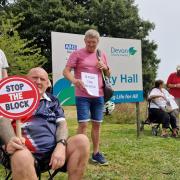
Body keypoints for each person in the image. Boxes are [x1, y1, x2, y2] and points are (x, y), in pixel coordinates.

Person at [0, 67, 90, 180]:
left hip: (52, 154)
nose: (38, 81)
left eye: (42, 79)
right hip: (21, 153)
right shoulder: (13, 98)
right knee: (21, 155)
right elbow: (2, 121)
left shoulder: (53, 101)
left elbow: (62, 124)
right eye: (34, 78)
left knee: (82, 141)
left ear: (48, 84)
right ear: (26, 80)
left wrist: (61, 145)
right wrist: (10, 139)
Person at [63, 29, 110, 165]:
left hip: (99, 95)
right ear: (84, 41)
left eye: (93, 43)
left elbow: (108, 75)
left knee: (97, 124)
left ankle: (96, 154)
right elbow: (66, 71)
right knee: (83, 124)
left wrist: (105, 67)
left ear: (98, 42)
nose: (91, 45)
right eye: (88, 42)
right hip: (82, 95)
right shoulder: (77, 54)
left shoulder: (101, 54)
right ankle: (78, 154)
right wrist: (75, 81)